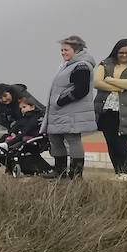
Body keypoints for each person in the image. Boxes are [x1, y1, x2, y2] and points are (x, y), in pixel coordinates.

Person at [41, 35, 98, 180]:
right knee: (54, 137)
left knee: (73, 139)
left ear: (76, 50)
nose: (63, 53)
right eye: (61, 50)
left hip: (71, 110)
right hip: (60, 111)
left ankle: (76, 173)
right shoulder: (68, 65)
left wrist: (61, 100)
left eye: (66, 50)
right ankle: (59, 170)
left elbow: (81, 89)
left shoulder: (82, 65)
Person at [94, 39, 127, 182]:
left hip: (126, 111)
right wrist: (120, 88)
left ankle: (125, 173)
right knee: (110, 142)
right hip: (106, 109)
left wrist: (110, 80)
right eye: (121, 52)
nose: (124, 55)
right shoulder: (105, 64)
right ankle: (117, 172)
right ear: (116, 52)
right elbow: (96, 82)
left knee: (121, 141)